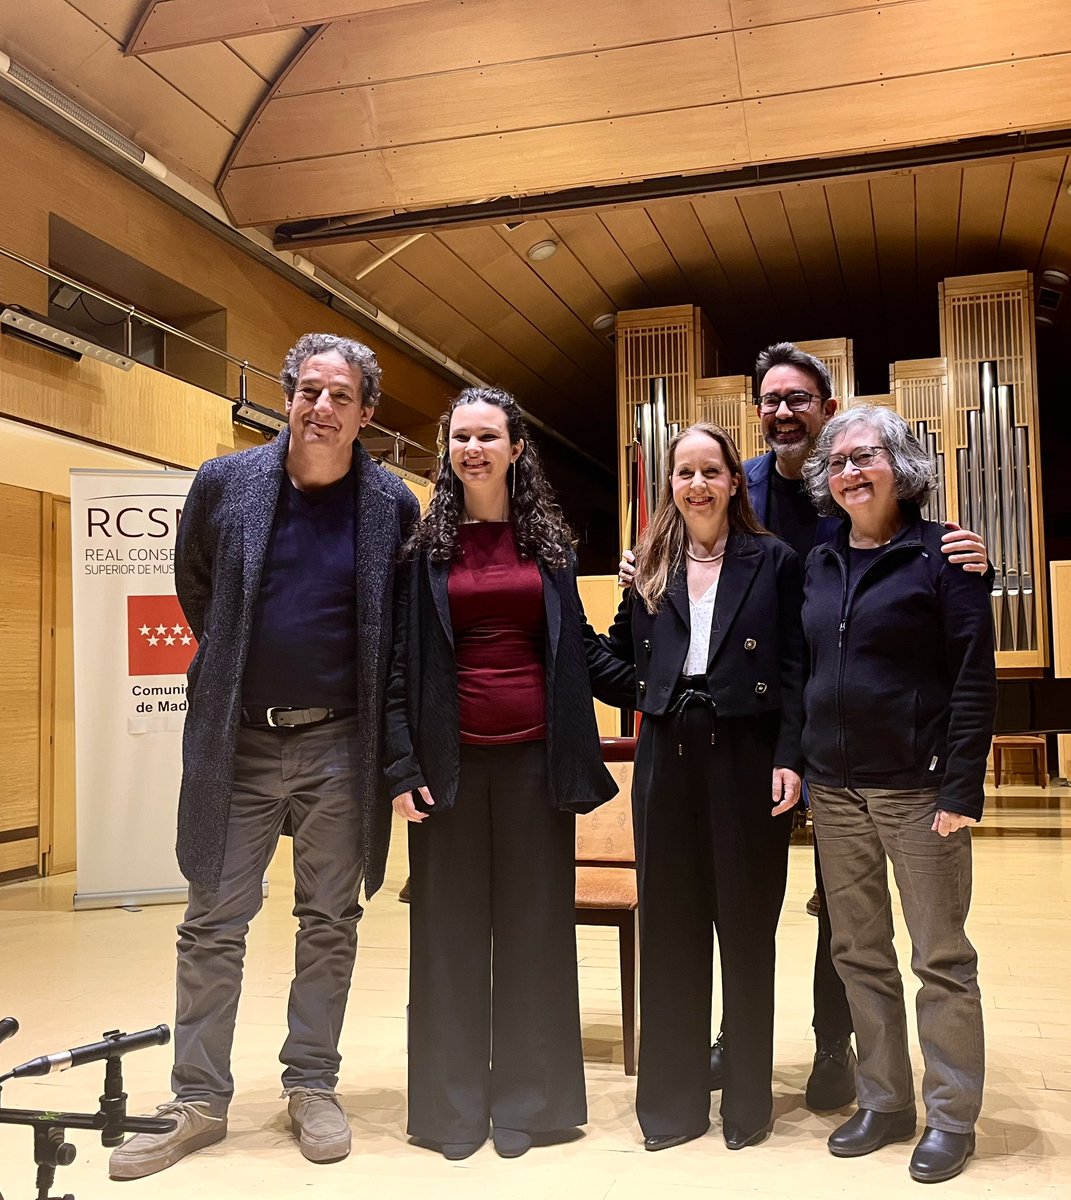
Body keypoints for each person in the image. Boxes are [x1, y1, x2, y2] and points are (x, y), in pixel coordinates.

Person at [621, 342, 988, 1111]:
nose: (782, 410)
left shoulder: (888, 518)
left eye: (799, 399)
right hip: (801, 737)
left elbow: (958, 660)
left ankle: (836, 1045)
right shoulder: (744, 488)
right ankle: (749, 1045)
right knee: (820, 919)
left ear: (825, 411)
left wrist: (964, 549)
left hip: (868, 749)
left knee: (869, 926)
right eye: (769, 399)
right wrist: (646, 571)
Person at [109, 333, 419, 1179]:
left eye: (340, 397)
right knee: (212, 923)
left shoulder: (390, 503)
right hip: (238, 739)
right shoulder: (224, 483)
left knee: (329, 921)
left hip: (338, 745)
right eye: (307, 391)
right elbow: (197, 586)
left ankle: (311, 1083)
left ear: (366, 415)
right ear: (286, 396)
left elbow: (394, 636)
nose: (321, 408)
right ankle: (197, 1100)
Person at [385, 386, 624, 1161]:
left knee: (534, 934)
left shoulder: (548, 548)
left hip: (534, 763)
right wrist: (399, 763)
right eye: (461, 438)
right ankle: (451, 1113)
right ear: (448, 450)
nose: (473, 449)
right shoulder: (423, 551)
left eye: (488, 436)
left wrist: (662, 676)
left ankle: (532, 1105)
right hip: (446, 769)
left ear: (516, 449)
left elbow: (580, 650)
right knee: (447, 938)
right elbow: (396, 667)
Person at [800, 406, 996, 1184]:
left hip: (919, 791)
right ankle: (884, 1101)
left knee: (940, 957)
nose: (852, 471)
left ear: (898, 465)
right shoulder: (818, 562)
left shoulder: (944, 556)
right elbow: (801, 669)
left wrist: (961, 786)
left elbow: (972, 677)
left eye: (866, 456)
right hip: (835, 791)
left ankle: (951, 1115)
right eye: (838, 461)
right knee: (857, 953)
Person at [598, 422, 804, 1152]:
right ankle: (673, 1106)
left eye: (709, 471)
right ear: (670, 487)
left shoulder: (773, 559)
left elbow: (793, 670)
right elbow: (615, 658)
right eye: (683, 473)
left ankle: (747, 1105)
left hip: (746, 753)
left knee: (745, 930)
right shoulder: (650, 562)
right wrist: (652, 692)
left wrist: (789, 754)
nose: (696, 485)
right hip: (666, 754)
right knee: (671, 927)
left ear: (732, 482)